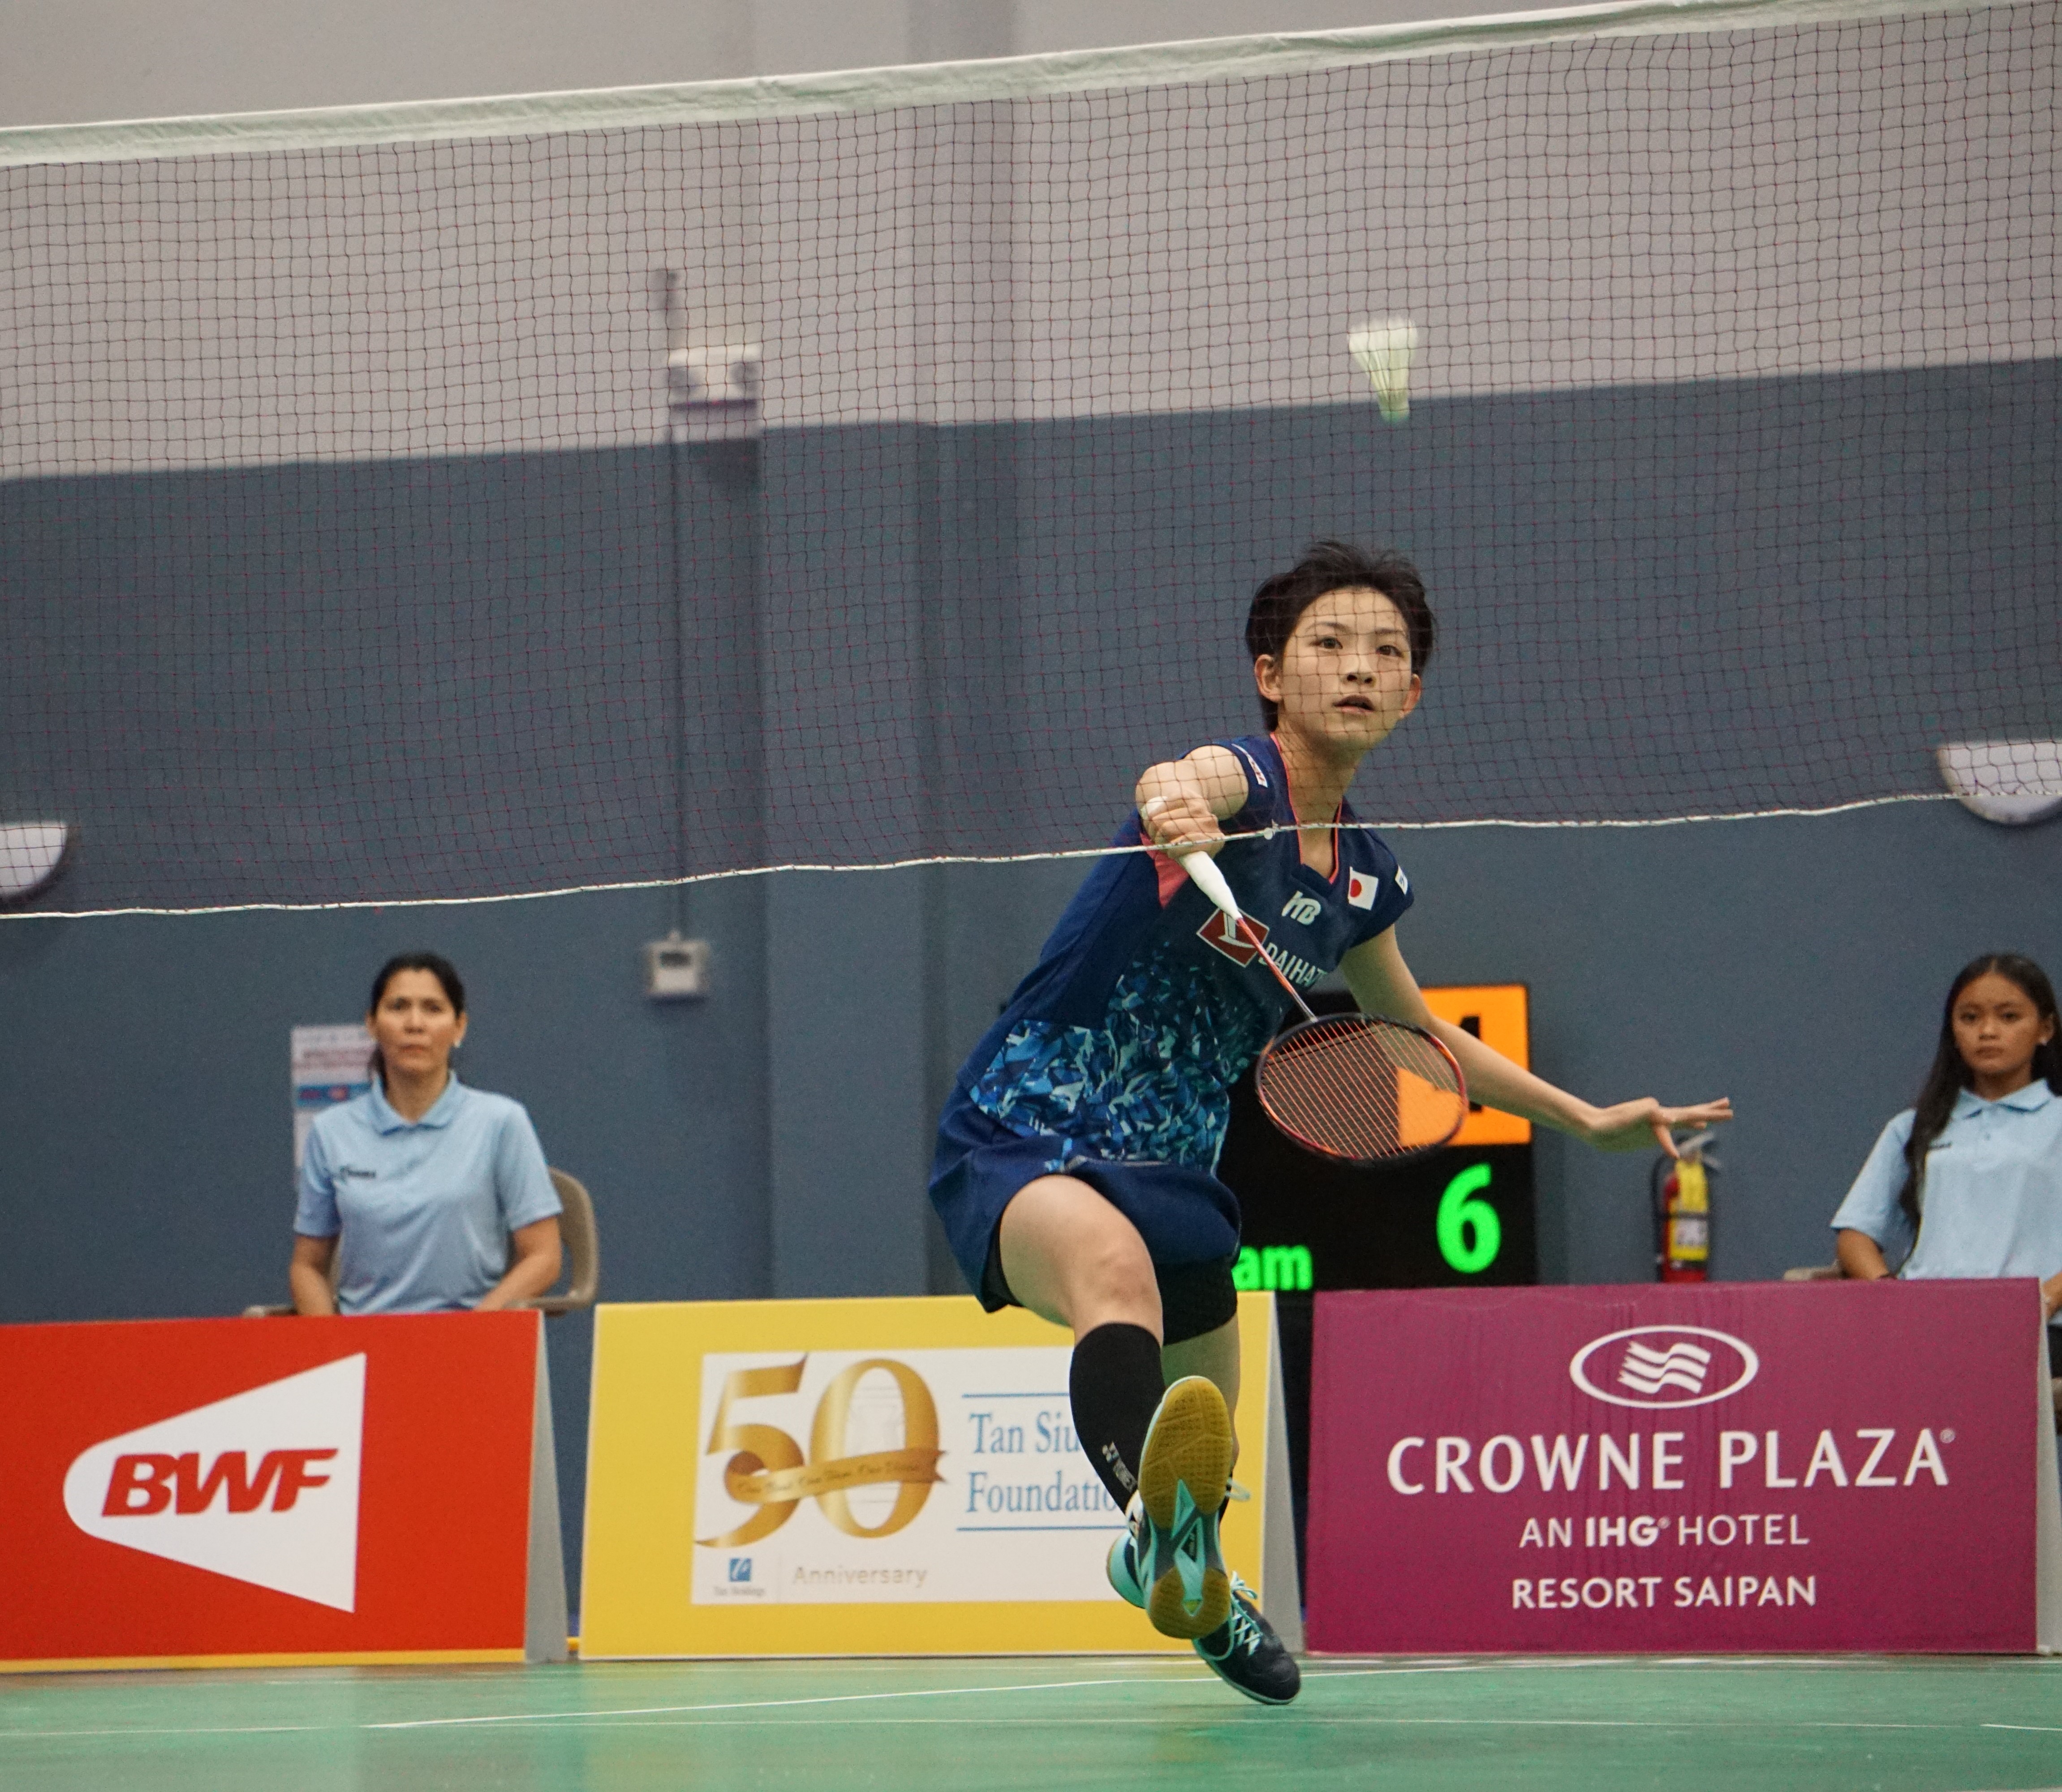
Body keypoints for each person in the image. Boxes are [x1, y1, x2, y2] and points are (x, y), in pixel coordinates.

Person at [929, 540, 1732, 1704]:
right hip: (1027, 1122)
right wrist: (1173, 803)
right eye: (1327, 644)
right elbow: (1178, 779)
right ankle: (1164, 1549)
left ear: (1409, 698)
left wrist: (1582, 1117)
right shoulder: (1240, 782)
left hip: (1177, 1170)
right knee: (1115, 1278)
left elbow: (1420, 1042)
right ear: (1269, 671)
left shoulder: (1362, 876)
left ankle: (1177, 1560)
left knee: (1213, 1422)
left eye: (1386, 654)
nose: (1357, 667)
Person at [1830, 953, 2062, 1423]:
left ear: (2045, 1029)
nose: (1988, 1031)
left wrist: (2044, 1299)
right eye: (1970, 1018)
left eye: (2009, 1016)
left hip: (2037, 1331)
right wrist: (1892, 1300)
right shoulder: (1913, 1128)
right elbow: (1855, 1233)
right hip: (1925, 1331)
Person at [290, 952, 563, 1315]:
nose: (415, 1023)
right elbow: (307, 1266)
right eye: (398, 1007)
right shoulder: (331, 1131)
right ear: (372, 1024)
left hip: (471, 1342)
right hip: (365, 1348)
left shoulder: (502, 1121)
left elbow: (544, 1256)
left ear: (459, 1027)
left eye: (433, 1009)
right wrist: (332, 1345)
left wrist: (477, 1328)